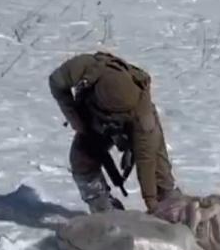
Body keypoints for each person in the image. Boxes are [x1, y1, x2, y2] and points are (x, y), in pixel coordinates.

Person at [49, 51, 179, 214]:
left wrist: (150, 201)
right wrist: (76, 120)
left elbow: (146, 158)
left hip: (135, 123)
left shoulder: (142, 114)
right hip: (93, 119)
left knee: (157, 164)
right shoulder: (85, 67)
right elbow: (56, 81)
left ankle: (172, 207)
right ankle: (104, 209)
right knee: (81, 160)